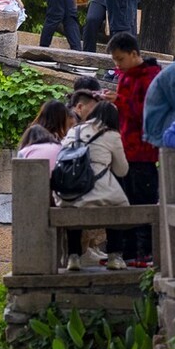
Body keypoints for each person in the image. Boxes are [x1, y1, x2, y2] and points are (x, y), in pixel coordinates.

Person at [106, 32, 160, 266]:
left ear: (134, 54)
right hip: (124, 150)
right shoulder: (125, 77)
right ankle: (127, 253)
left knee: (143, 202)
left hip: (144, 152)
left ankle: (144, 253)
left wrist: (118, 100)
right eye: (115, 61)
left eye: (120, 59)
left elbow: (145, 113)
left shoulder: (151, 77)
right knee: (124, 201)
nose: (118, 65)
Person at [57, 102, 130, 271]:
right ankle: (114, 256)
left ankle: (73, 257)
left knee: (73, 202)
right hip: (99, 192)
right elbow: (122, 170)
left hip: (68, 190)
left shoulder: (73, 131)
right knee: (117, 203)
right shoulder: (112, 135)